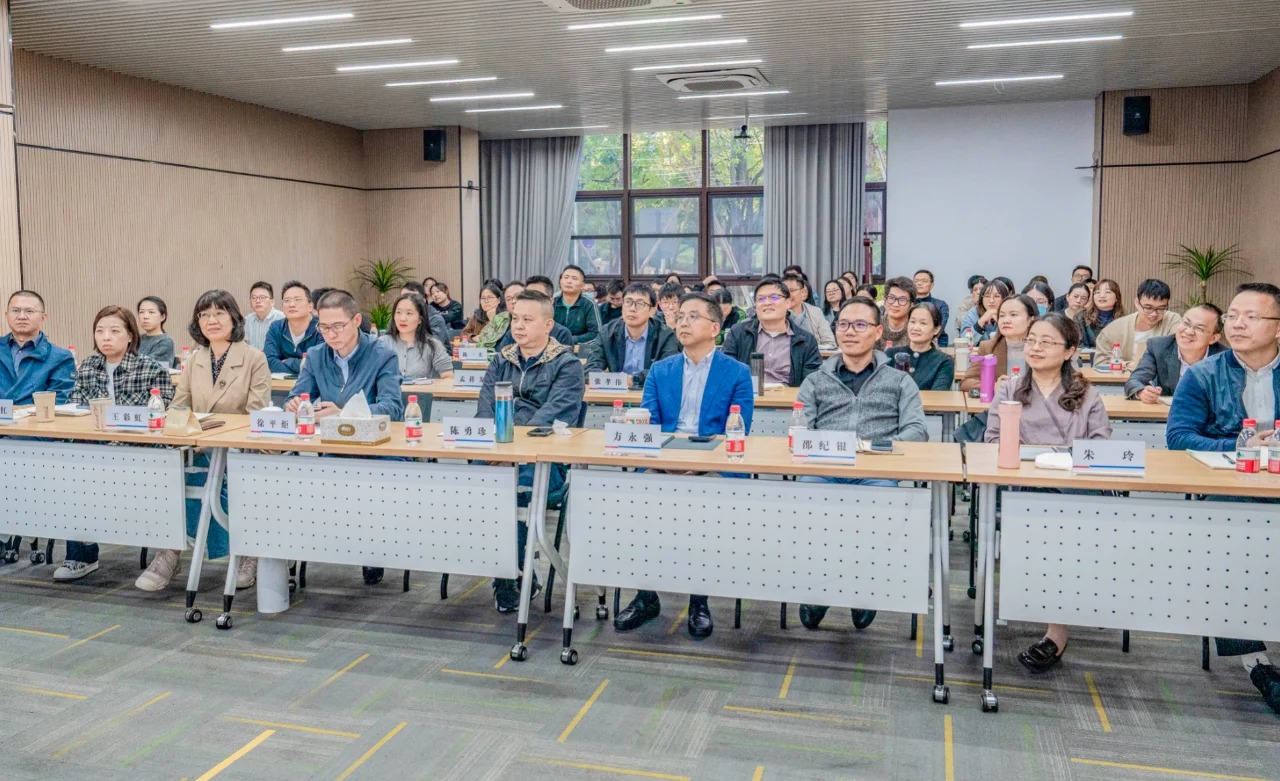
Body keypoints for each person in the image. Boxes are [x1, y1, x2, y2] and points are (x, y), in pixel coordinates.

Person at [1166, 283, 1280, 714]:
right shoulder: (1203, 374)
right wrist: (1241, 447)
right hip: (1231, 491)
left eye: (1252, 316)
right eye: (1233, 316)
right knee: (1227, 546)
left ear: (1278, 328)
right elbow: (1179, 438)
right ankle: (1257, 663)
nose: (1238, 324)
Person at [614, 292, 755, 639]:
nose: (683, 323)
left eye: (693, 317)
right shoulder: (661, 370)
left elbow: (738, 431)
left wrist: (697, 464)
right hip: (662, 462)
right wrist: (669, 462)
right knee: (634, 505)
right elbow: (648, 423)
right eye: (680, 317)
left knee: (703, 512)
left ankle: (698, 599)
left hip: (712, 465)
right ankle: (646, 596)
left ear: (715, 328)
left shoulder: (737, 372)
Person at [986, 314, 1111, 672]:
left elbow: (1101, 446)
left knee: (1065, 531)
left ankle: (1057, 630)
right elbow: (991, 440)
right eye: (1031, 340)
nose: (1036, 348)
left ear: (1070, 351)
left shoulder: (1087, 394)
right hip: (1022, 486)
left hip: (1074, 489)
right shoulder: (1010, 389)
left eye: (1047, 342)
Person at [796, 295, 928, 630]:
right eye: (843, 324)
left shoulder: (899, 380)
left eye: (859, 325)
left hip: (876, 471)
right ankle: (822, 589)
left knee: (879, 508)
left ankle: (861, 589)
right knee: (807, 502)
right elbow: (800, 429)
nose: (849, 332)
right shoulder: (816, 380)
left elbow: (916, 431)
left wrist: (874, 448)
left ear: (877, 332)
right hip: (825, 471)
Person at [136, 289, 271, 592]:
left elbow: (256, 413)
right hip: (198, 444)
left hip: (239, 447)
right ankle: (169, 551)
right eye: (204, 314)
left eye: (219, 313)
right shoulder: (195, 358)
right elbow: (179, 405)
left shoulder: (254, 358)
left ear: (234, 318)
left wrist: (215, 438)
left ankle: (247, 551)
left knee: (209, 470)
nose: (212, 320)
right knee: (170, 469)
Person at [285, 289, 403, 585]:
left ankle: (372, 550)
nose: (331, 334)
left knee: (367, 493)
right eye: (324, 327)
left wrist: (343, 413)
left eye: (338, 326)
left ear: (357, 321)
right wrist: (296, 404)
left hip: (378, 453)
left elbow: (392, 408)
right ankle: (293, 552)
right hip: (334, 450)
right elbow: (297, 395)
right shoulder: (316, 355)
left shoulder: (382, 354)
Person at [477, 289, 585, 612]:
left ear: (548, 324)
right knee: (470, 485)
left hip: (545, 461)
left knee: (516, 490)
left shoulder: (567, 365)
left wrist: (512, 453)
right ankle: (509, 571)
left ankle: (511, 574)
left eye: (527, 319)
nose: (519, 326)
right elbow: (484, 411)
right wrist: (493, 451)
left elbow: (549, 420)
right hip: (499, 456)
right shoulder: (501, 359)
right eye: (515, 319)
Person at [56, 306, 174, 581]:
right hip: (93, 448)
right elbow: (77, 406)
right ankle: (81, 556)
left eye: (114, 331)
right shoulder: (88, 365)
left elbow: (161, 412)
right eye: (100, 331)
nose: (105, 337)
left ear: (131, 335)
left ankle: (163, 553)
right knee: (70, 469)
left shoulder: (150, 368)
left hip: (138, 451)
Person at [722, 278, 821, 388]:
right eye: (761, 299)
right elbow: (726, 371)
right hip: (748, 396)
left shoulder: (806, 340)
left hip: (788, 398)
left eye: (774, 297)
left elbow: (812, 382)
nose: (767, 303)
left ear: (787, 303)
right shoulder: (738, 333)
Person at [583, 282, 678, 388]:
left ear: (652, 310)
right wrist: (615, 380)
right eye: (628, 302)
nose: (632, 309)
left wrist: (634, 380)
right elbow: (589, 369)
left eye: (640, 304)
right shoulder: (607, 333)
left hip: (652, 392)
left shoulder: (665, 335)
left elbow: (668, 370)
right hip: (616, 394)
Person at [1124, 304, 1225, 402]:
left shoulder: (1225, 358)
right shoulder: (1158, 346)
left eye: (1199, 328)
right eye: (1186, 323)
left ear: (1213, 338)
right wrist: (1142, 392)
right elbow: (1134, 381)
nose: (1189, 331)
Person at [1, 290, 75, 406]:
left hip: (37, 418)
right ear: (6, 315)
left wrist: (15, 411)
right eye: (15, 311)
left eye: (29, 311)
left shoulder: (60, 358)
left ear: (43, 318)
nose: (21, 316)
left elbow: (56, 402)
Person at [1092, 278, 1182, 366]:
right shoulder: (1112, 330)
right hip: (1124, 376)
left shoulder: (1171, 320)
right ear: (1137, 303)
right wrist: (1128, 365)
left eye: (1161, 308)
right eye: (1148, 308)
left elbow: (1177, 354)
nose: (1154, 314)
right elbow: (1100, 365)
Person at [960, 295, 1037, 394]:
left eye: (1013, 315)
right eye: (1002, 315)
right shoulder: (988, 348)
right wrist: (993, 386)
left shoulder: (1040, 348)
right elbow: (966, 383)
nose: (1006, 320)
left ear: (1030, 319)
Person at [378, 293, 455, 380]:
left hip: (422, 389)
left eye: (409, 313)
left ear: (420, 319)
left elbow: (448, 376)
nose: (402, 318)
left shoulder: (432, 344)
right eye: (398, 312)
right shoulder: (382, 343)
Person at [886, 302, 956, 391]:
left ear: (936, 329)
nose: (915, 328)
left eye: (923, 323)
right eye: (912, 322)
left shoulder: (943, 361)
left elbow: (938, 395)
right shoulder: (891, 354)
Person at [264, 280, 321, 375]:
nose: (292, 305)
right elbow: (269, 362)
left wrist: (288, 362)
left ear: (310, 306)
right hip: (281, 383)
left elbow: (318, 364)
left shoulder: (321, 327)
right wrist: (301, 364)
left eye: (297, 300)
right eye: (287, 301)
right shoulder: (276, 327)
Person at [500, 278, 575, 349]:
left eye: (537, 297)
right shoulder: (512, 334)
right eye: (528, 296)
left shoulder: (562, 334)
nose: (519, 326)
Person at [782, 274, 836, 351]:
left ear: (803, 292)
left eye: (792, 290)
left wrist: (809, 349)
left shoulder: (816, 312)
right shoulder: (777, 314)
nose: (788, 295)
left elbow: (830, 343)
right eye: (784, 291)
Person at [554, 265, 601, 344]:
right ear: (560, 281)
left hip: (579, 348)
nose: (569, 281)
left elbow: (596, 334)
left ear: (582, 285)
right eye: (566, 277)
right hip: (553, 347)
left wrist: (571, 340)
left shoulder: (589, 304)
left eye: (574, 278)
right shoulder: (552, 302)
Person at [960, 279, 1011, 343]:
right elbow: (964, 342)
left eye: (996, 296)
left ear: (1004, 298)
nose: (991, 301)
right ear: (982, 298)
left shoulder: (1011, 313)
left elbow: (1017, 339)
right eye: (987, 296)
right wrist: (981, 321)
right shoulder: (972, 314)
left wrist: (1000, 322)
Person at [1078, 278, 1125, 349]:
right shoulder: (1080, 317)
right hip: (1088, 356)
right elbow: (1078, 345)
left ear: (1117, 297)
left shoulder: (1125, 320)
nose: (1102, 296)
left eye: (1107, 292)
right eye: (1097, 292)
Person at [460, 281, 506, 346]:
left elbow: (502, 339)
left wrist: (492, 319)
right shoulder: (477, 315)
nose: (486, 301)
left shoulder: (505, 316)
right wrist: (473, 338)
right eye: (483, 298)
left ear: (498, 300)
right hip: (478, 350)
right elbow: (463, 334)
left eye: (490, 298)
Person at [912, 270, 950, 346]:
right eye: (916, 281)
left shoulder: (941, 305)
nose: (919, 283)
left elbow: (940, 327)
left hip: (936, 342)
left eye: (924, 281)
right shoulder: (908, 303)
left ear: (931, 285)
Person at [245, 281, 285, 351]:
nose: (257, 301)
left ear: (272, 302)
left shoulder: (282, 319)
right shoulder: (247, 320)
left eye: (262, 297)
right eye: (254, 298)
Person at [137, 296, 176, 367]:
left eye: (151, 312)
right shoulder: (138, 339)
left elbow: (148, 366)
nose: (145, 316)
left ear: (162, 317)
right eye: (141, 312)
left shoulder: (165, 341)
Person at [878, 276, 915, 349]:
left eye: (902, 300)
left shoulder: (916, 329)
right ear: (885, 301)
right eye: (891, 298)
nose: (895, 304)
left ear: (911, 305)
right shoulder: (875, 325)